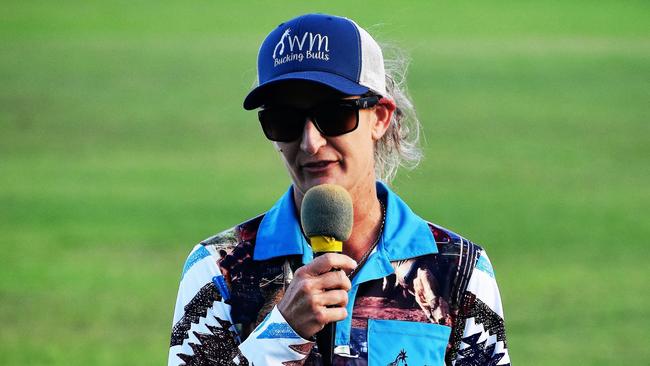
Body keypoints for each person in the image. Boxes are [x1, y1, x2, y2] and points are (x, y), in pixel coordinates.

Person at [168, 13, 511, 366]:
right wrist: (282, 333)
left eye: (334, 115)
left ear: (380, 117)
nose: (311, 142)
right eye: (284, 120)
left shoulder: (461, 271)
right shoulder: (216, 269)